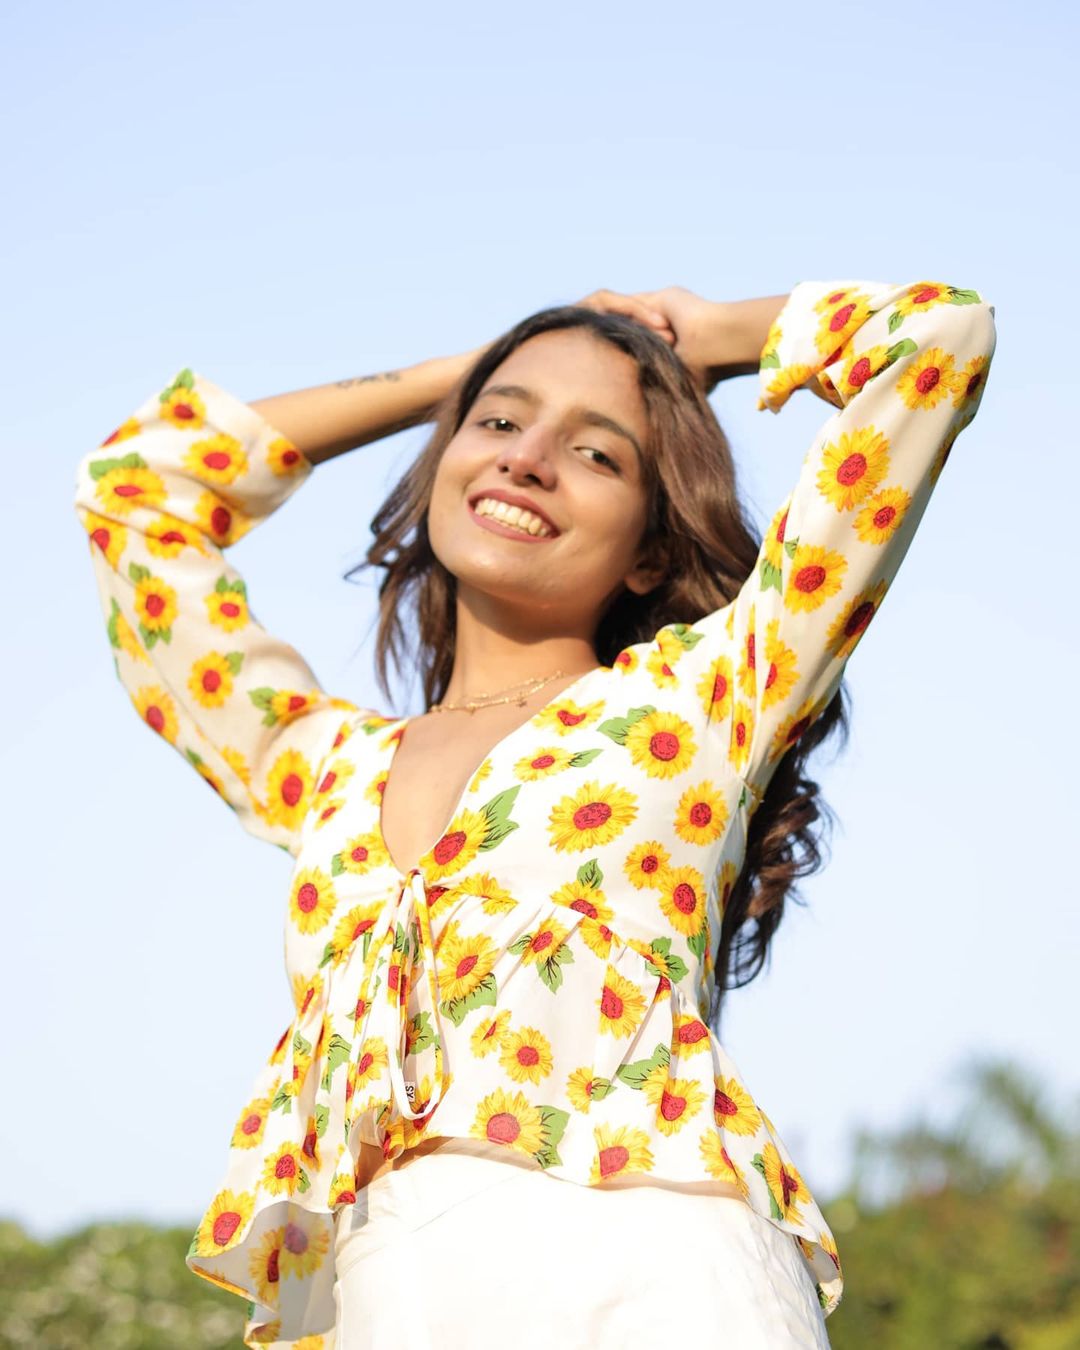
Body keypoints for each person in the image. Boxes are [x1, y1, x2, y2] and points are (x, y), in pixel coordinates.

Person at [73, 275, 996, 1348]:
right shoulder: (319, 768)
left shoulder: (710, 695)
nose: (525, 457)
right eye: (501, 423)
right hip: (398, 1298)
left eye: (598, 452)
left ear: (652, 544)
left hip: (666, 1284)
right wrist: (459, 377)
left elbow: (938, 336)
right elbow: (135, 491)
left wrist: (709, 338)